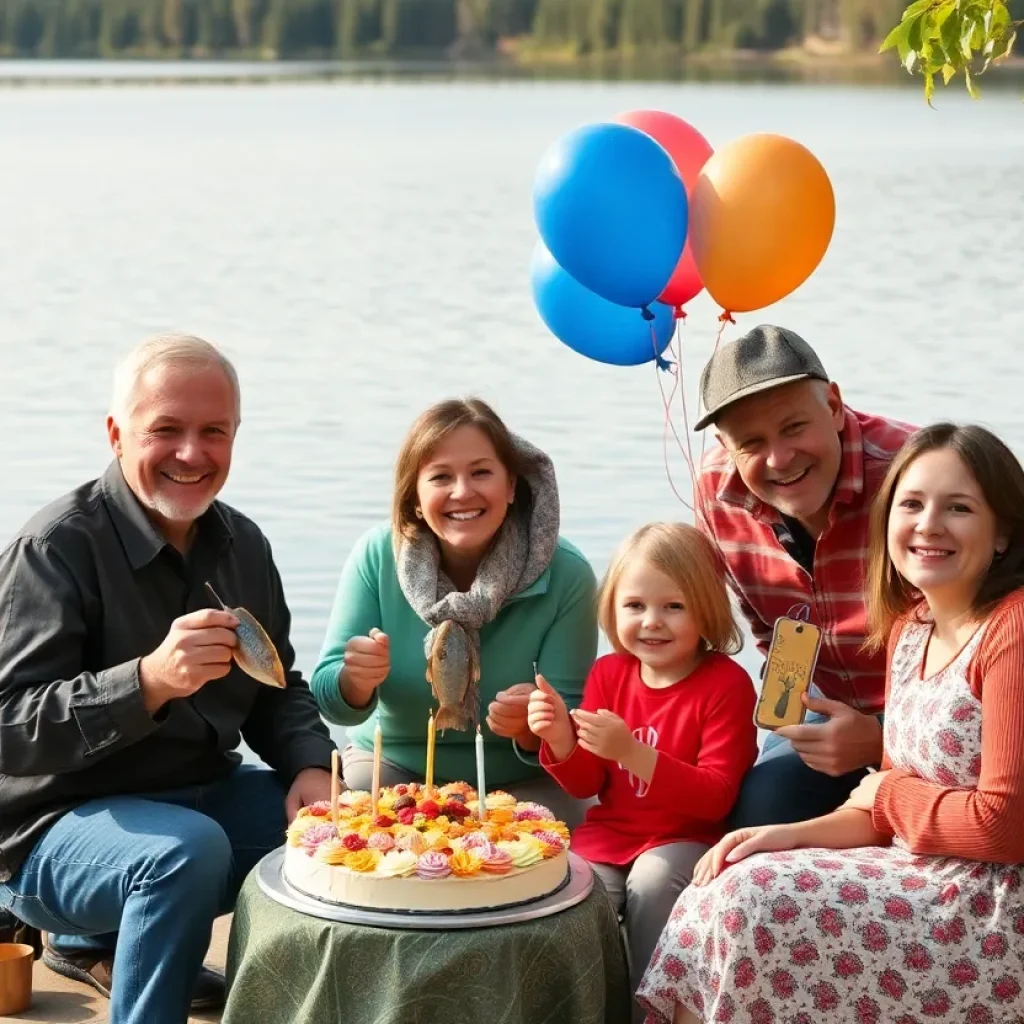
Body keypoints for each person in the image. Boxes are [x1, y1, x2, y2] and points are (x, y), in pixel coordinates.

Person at [0, 333, 337, 1024]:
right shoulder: (53, 548)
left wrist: (309, 765)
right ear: (117, 434)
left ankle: (264, 1002)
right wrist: (147, 683)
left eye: (213, 431)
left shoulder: (244, 543)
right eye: (166, 430)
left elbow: (280, 685)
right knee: (186, 852)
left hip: (192, 799)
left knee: (341, 822)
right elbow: (8, 728)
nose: (192, 453)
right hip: (46, 833)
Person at [638, 422, 1024, 1024]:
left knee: (754, 904)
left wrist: (891, 793)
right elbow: (877, 811)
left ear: (1002, 532)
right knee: (728, 880)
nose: (928, 525)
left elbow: (1004, 827)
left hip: (990, 908)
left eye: (959, 509)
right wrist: (781, 837)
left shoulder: (1012, 630)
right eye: (911, 504)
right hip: (916, 869)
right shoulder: (910, 626)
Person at [310, 397, 597, 826]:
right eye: (441, 476)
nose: (462, 492)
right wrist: (354, 681)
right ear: (414, 497)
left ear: (512, 485)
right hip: (393, 767)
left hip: (523, 780)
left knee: (549, 856)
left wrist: (532, 726)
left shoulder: (567, 574)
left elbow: (571, 728)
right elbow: (329, 700)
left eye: (481, 472)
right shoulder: (376, 556)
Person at [528, 522, 757, 1021]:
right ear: (612, 609)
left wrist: (632, 752)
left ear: (707, 609)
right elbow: (589, 783)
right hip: (614, 834)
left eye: (673, 606)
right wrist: (560, 738)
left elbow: (716, 796)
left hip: (688, 838)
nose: (652, 621)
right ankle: (583, 1007)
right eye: (635, 606)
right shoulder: (609, 674)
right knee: (574, 885)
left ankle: (651, 1010)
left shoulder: (726, 685)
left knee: (652, 884)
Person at [693, 324, 914, 826]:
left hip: (937, 723)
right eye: (751, 442)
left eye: (794, 427)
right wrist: (788, 717)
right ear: (727, 446)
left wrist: (881, 737)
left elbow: (987, 644)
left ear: (834, 406)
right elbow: (770, 627)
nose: (779, 458)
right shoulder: (715, 491)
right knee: (755, 818)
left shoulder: (914, 476)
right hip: (820, 706)